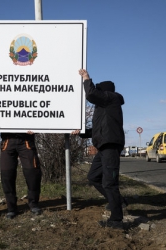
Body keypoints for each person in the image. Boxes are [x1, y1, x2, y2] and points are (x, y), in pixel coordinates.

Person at [72, 68, 127, 229]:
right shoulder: (105, 108)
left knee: (110, 183)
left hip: (110, 147)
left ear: (105, 92)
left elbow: (91, 94)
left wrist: (86, 78)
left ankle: (116, 220)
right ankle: (118, 201)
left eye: (99, 91)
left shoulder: (111, 99)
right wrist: (81, 132)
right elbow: (98, 130)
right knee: (94, 177)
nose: (97, 94)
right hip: (103, 146)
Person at [0, 131, 42, 219]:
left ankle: (33, 204)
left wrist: (35, 128)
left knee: (33, 173)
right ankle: (11, 208)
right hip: (7, 140)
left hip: (26, 140)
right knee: (6, 175)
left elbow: (40, 119)